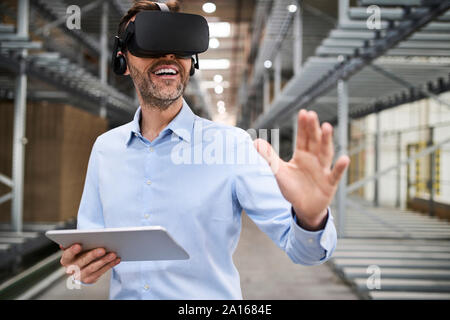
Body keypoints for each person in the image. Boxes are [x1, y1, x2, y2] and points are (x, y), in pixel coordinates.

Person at [59, 0, 350, 300]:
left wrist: (310, 219)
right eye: (151, 42)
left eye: (180, 45)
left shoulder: (232, 147)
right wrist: (80, 266)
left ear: (192, 60)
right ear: (122, 59)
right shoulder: (106, 149)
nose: (168, 55)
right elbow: (86, 251)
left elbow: (306, 253)